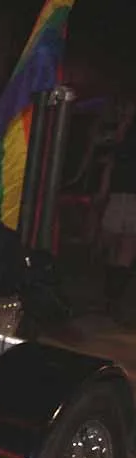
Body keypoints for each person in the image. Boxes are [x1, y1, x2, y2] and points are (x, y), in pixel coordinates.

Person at [100, 97, 136, 323]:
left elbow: (114, 157)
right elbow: (113, 159)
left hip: (126, 192)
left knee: (124, 245)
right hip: (121, 191)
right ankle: (112, 296)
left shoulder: (125, 133)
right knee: (116, 243)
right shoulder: (123, 131)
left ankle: (113, 298)